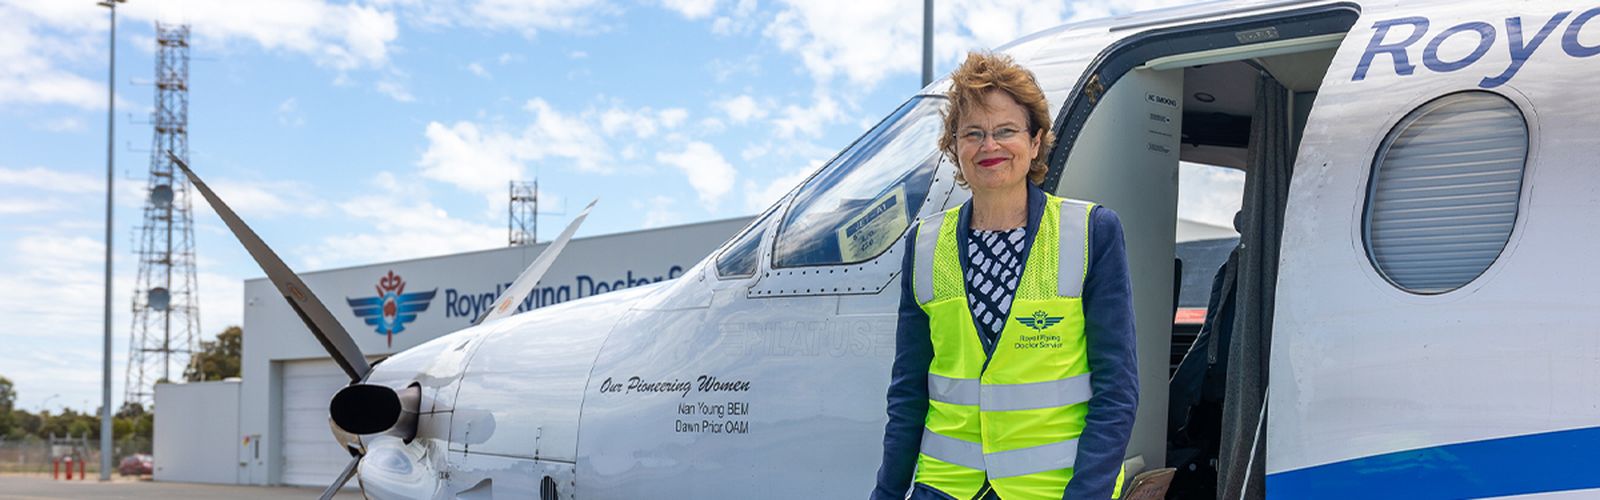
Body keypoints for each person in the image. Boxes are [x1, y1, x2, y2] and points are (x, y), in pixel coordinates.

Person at [873, 51, 1139, 500]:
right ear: (954, 147)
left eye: (1006, 131)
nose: (989, 146)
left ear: (1036, 142)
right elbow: (908, 394)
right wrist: (887, 492)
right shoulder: (924, 244)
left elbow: (1116, 391)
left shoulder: (1092, 233)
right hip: (945, 488)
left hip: (1053, 490)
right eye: (972, 133)